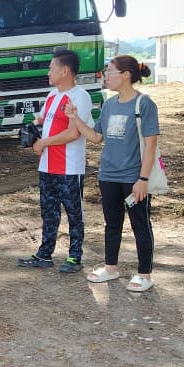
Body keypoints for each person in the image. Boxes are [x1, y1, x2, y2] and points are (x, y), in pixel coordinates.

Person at [65, 55, 159, 292]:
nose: (105, 76)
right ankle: (111, 268)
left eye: (109, 71)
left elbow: (150, 146)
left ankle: (144, 274)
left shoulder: (144, 104)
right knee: (112, 224)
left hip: (133, 178)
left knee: (140, 225)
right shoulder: (108, 105)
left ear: (125, 75)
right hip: (108, 175)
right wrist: (75, 119)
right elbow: (96, 137)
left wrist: (143, 179)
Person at [17, 49, 93, 273]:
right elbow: (41, 120)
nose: (48, 72)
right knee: (48, 211)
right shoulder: (52, 95)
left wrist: (45, 142)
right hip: (47, 165)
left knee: (73, 213)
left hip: (69, 167)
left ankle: (74, 257)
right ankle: (44, 254)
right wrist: (33, 132)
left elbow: (73, 133)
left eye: (52, 68)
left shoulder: (80, 97)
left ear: (66, 70)